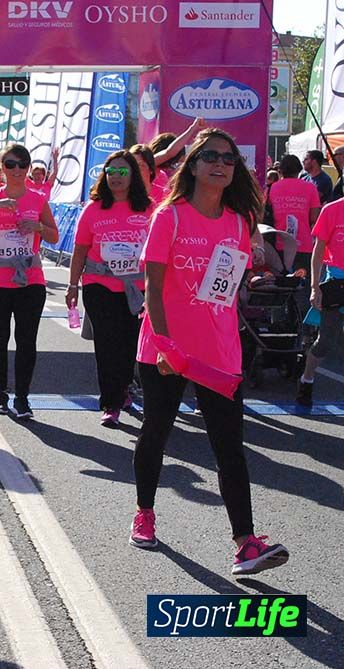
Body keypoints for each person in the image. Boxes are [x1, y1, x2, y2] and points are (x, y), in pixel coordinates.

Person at [131, 128, 289, 576]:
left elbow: (226, 286)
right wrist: (165, 345)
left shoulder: (239, 222)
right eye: (211, 156)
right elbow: (154, 290)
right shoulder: (171, 217)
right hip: (166, 348)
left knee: (229, 447)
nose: (221, 163)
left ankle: (245, 543)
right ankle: (144, 511)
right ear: (194, 165)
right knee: (155, 433)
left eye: (229, 157)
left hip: (219, 351)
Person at [0, 144, 58, 418]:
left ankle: (23, 397)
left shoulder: (38, 199)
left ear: (28, 167)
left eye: (22, 164)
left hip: (30, 279)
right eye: (11, 164)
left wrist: (38, 227)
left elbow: (53, 236)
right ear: (2, 168)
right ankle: (1, 393)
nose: (17, 169)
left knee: (26, 340)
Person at [65, 150, 151, 427]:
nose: (116, 176)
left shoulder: (148, 208)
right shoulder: (93, 209)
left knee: (128, 345)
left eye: (122, 172)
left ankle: (124, 387)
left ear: (132, 176)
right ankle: (110, 403)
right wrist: (72, 285)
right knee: (106, 345)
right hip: (99, 285)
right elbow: (80, 250)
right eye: (111, 171)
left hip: (136, 289)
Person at [296, 197, 344, 406]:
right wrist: (315, 287)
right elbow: (318, 251)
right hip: (335, 282)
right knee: (325, 342)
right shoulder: (332, 210)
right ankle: (307, 379)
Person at [268, 154, 320, 277]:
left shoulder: (273, 188)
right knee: (301, 286)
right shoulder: (310, 188)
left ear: (280, 171)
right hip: (303, 244)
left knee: (280, 286)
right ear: (299, 170)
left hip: (280, 243)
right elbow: (314, 218)